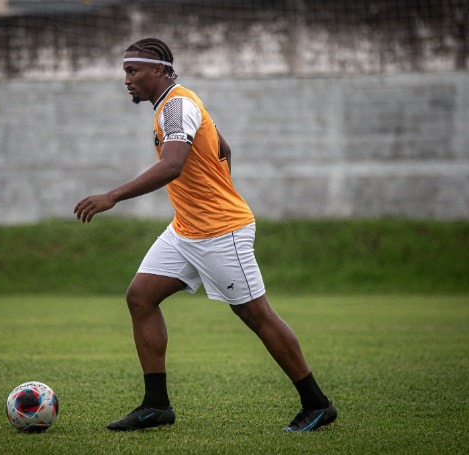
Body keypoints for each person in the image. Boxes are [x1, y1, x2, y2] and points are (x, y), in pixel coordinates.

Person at [74, 38, 337, 433]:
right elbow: (223, 147)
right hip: (185, 230)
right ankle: (156, 406)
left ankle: (317, 403)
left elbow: (174, 165)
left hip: (220, 232)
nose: (126, 79)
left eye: (133, 71)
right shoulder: (174, 104)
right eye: (125, 71)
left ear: (159, 71)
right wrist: (212, 192)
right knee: (140, 298)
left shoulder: (177, 106)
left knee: (255, 314)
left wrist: (112, 195)